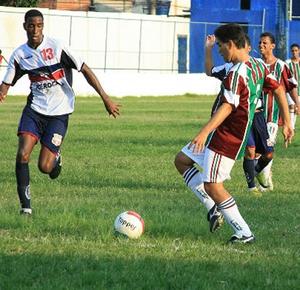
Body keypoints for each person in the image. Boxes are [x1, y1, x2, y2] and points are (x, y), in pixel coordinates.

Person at [174, 23, 293, 243]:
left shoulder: (237, 73)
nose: (219, 50)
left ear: (230, 45)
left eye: (219, 46)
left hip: (228, 136)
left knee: (213, 185)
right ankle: (213, 208)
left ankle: (244, 232)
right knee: (181, 161)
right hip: (219, 133)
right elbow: (278, 88)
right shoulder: (257, 66)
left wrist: (203, 133)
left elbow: (227, 107)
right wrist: (287, 122)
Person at [0, 9, 121, 215]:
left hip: (59, 113)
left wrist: (105, 98)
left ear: (43, 26)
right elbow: (4, 86)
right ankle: (26, 209)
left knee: (46, 168)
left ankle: (56, 158)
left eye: (39, 25)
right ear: (25, 27)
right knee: (22, 154)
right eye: (31, 25)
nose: (35, 30)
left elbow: (85, 69)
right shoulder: (20, 55)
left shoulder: (58, 47)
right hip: (35, 111)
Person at [204, 34, 270, 195]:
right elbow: (210, 71)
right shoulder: (230, 69)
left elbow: (276, 88)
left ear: (248, 49)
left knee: (268, 153)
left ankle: (253, 172)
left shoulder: (259, 65)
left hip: (259, 116)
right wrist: (208, 48)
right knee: (250, 150)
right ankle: (251, 186)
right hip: (239, 118)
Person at [255, 32, 299, 190]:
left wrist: (297, 103)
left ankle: (265, 183)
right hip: (256, 113)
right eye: (260, 43)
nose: (261, 45)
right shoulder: (256, 64)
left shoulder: (281, 65)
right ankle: (261, 176)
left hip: (273, 114)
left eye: (265, 43)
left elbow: (291, 86)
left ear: (272, 46)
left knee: (268, 147)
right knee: (255, 150)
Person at [286, 43, 300, 130]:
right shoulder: (287, 62)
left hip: (299, 89)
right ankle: (290, 127)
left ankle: (292, 127)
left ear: (299, 51)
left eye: (296, 50)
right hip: (290, 89)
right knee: (291, 105)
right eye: (292, 51)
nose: (294, 52)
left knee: (296, 108)